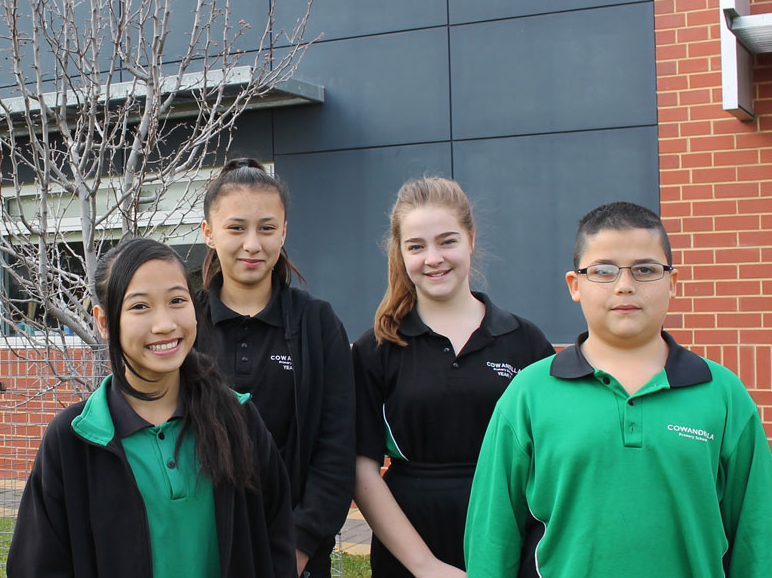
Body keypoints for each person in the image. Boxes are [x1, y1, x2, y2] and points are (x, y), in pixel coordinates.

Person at [465, 201, 772, 577]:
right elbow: (491, 534)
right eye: (604, 271)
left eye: (645, 269)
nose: (625, 285)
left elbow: (757, 535)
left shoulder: (723, 394)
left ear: (672, 282)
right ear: (575, 286)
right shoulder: (529, 394)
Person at [7, 237, 296, 578]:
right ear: (103, 322)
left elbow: (275, 539)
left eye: (177, 300)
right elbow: (37, 566)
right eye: (140, 306)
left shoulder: (238, 419)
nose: (165, 324)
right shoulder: (74, 441)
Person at [350, 176, 554, 577]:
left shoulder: (524, 341)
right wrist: (425, 566)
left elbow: (552, 458)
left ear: (471, 240)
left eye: (447, 241)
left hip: (510, 539)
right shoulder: (378, 349)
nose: (433, 258)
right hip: (410, 550)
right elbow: (361, 468)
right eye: (416, 246)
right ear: (401, 252)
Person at [195, 158, 354, 577]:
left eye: (267, 228)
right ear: (208, 233)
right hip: (197, 546)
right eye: (236, 228)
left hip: (296, 555)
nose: (252, 244)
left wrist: (297, 548)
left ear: (284, 232)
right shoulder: (183, 321)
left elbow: (336, 447)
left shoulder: (317, 324)